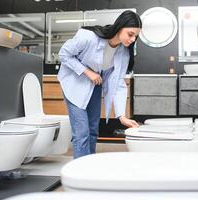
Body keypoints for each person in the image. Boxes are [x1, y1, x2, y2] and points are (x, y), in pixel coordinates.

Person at [58, 10, 141, 159]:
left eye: (136, 36)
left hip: (95, 85)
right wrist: (87, 72)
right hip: (74, 84)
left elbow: (118, 83)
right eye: (130, 34)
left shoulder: (123, 52)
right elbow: (64, 54)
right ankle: (80, 173)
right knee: (82, 132)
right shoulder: (88, 37)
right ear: (120, 27)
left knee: (93, 130)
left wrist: (122, 116)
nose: (133, 39)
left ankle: (89, 167)